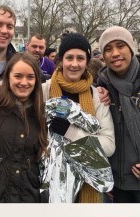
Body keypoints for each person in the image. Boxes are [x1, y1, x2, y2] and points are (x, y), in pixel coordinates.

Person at [42, 33, 115, 203]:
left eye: (80, 58)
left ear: (87, 62)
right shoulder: (43, 91)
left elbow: (109, 145)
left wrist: (71, 133)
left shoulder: (97, 96)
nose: (74, 64)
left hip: (87, 187)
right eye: (69, 57)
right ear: (61, 60)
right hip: (49, 185)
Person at [0, 51, 48, 202]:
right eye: (18, 76)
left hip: (29, 199)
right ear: (8, 76)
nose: (24, 82)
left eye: (30, 77)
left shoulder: (41, 113)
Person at [96, 27, 140, 202]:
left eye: (120, 46)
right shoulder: (101, 88)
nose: (115, 53)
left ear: (131, 49)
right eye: (108, 49)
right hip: (117, 184)